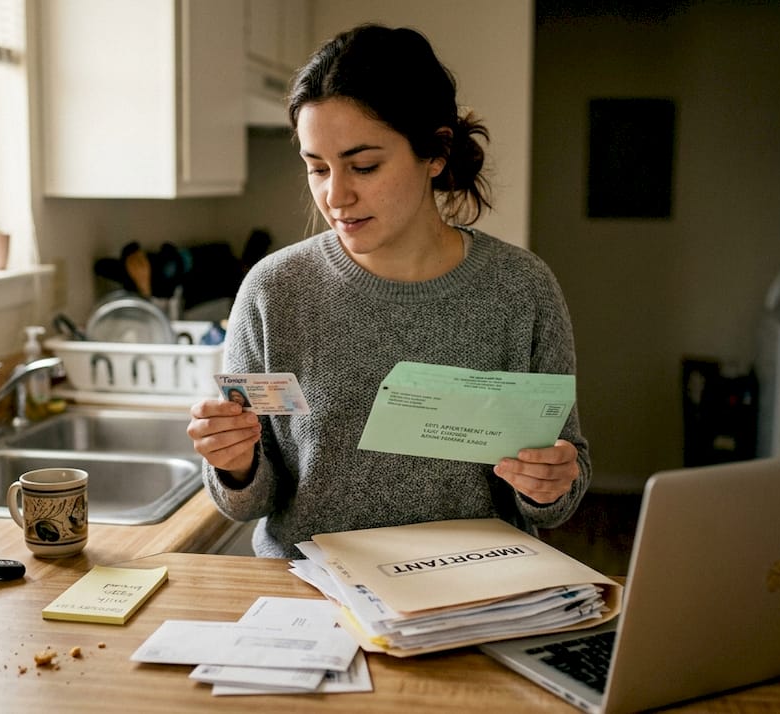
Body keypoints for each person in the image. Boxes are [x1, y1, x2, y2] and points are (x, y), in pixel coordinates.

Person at [186, 23, 590, 558]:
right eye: (317, 168)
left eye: (364, 166)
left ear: (436, 152)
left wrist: (551, 482)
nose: (336, 195)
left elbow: (561, 488)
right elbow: (250, 502)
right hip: (313, 599)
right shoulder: (273, 291)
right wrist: (234, 464)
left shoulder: (521, 289)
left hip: (472, 591)